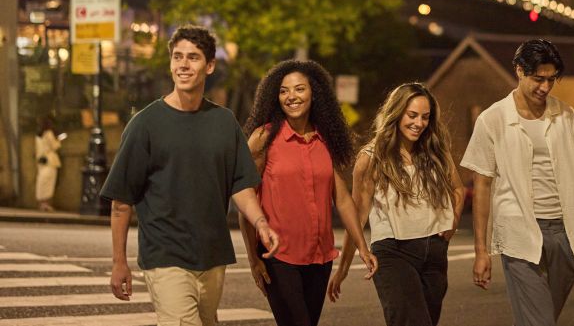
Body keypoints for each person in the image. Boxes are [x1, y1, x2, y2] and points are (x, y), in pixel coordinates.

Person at [100, 25, 279, 326]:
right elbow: (121, 202)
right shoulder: (145, 124)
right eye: (177, 57)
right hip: (165, 255)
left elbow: (241, 185)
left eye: (193, 58)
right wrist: (119, 262)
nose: (183, 64)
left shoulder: (223, 122)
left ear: (209, 66)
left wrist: (261, 223)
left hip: (212, 255)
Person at [461, 39, 574, 326]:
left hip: (565, 233)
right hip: (520, 231)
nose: (545, 88)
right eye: (538, 79)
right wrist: (481, 251)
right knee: (540, 321)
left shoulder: (566, 115)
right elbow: (482, 186)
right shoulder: (492, 119)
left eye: (551, 80)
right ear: (519, 72)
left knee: (537, 318)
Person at [240, 59, 378, 326]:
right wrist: (253, 258)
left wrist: (363, 247)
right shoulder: (263, 138)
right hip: (277, 256)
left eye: (299, 89)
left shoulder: (325, 139)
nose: (291, 96)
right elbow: (246, 199)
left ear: (315, 93)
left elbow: (343, 200)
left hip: (319, 257)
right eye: (283, 90)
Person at [327, 83, 464, 326]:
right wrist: (343, 268)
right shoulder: (371, 158)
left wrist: (453, 220)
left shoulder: (435, 151)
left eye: (425, 117)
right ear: (397, 113)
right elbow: (356, 217)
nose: (419, 123)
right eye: (412, 115)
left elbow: (458, 189)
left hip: (434, 252)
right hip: (393, 253)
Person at [35, 115, 62, 211]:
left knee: (41, 181)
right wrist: (58, 140)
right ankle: (45, 203)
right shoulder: (49, 134)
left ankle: (42, 203)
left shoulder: (38, 136)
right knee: (49, 182)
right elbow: (55, 146)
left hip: (41, 161)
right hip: (50, 160)